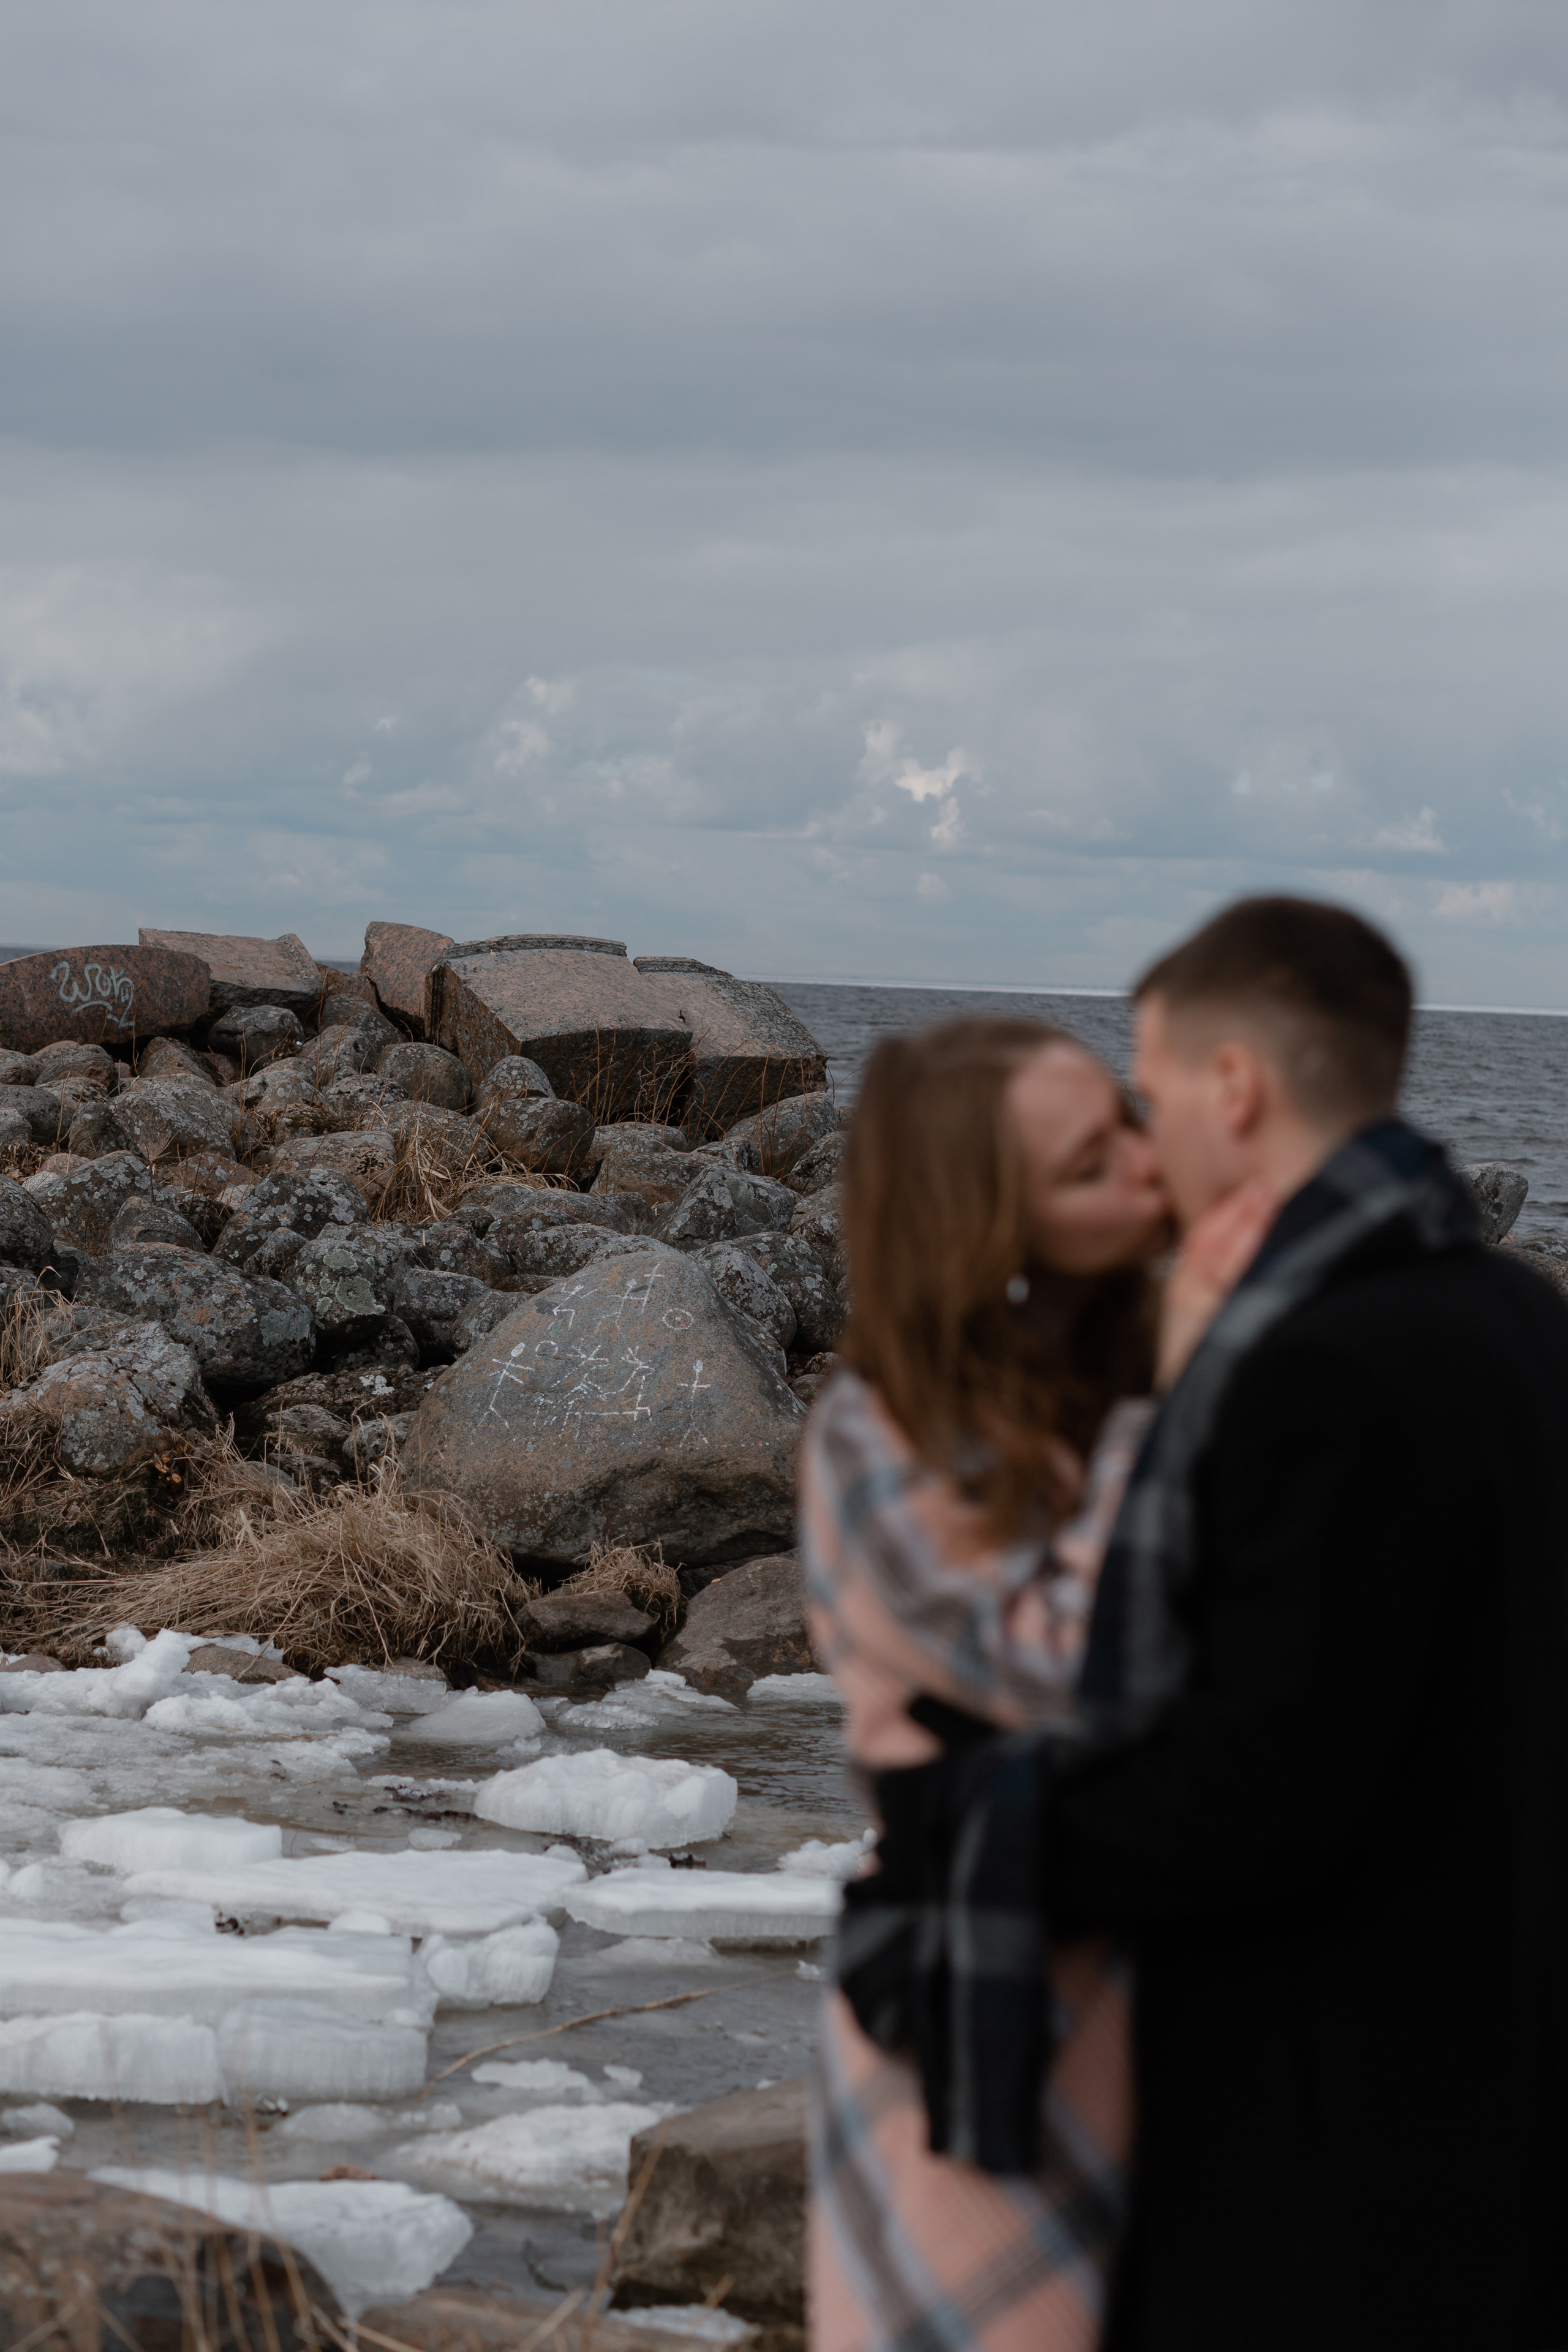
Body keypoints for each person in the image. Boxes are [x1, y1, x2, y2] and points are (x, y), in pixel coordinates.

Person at [854, 896, 1568, 2352]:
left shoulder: (1315, 1374)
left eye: (1158, 1091)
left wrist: (965, 1817)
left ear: (1233, 1089)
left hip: (1331, 2150)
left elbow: (1264, 1797)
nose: (1151, 1136)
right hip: (1516, 2089)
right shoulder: (1523, 1325)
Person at [801, 1015, 1173, 2352]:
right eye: (1089, 1168)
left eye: (1131, 1124)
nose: (1147, 1168)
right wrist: (1172, 1422)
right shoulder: (877, 1429)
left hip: (1167, 1969)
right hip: (975, 1982)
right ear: (988, 1222)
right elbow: (1065, 1665)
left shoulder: (1131, 1377)